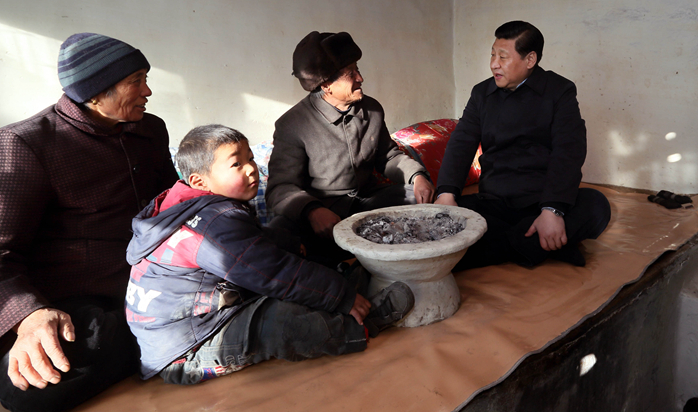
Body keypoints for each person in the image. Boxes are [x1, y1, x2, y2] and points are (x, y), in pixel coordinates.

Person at [125, 125, 414, 384]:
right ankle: (360, 325)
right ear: (200, 182)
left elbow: (252, 243)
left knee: (287, 242)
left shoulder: (184, 206)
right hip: (188, 349)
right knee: (280, 320)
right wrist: (340, 295)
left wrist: (289, 245)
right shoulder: (214, 223)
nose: (251, 169)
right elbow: (273, 273)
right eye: (236, 164)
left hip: (200, 316)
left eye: (250, 159)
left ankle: (343, 288)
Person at [0, 33, 179, 412]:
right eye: (136, 81)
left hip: (159, 279)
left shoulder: (150, 129)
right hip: (81, 302)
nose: (148, 91)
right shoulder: (25, 144)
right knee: (27, 391)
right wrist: (30, 316)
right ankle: (177, 330)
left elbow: (171, 204)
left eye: (145, 78)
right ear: (96, 93)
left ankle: (169, 326)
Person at [435, 21, 611, 269]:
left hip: (541, 200)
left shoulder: (559, 91)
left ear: (530, 59)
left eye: (503, 57)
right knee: (441, 215)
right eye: (492, 55)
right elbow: (461, 143)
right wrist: (446, 194)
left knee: (596, 205)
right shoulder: (481, 94)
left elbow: (568, 151)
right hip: (493, 202)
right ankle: (540, 245)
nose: (494, 64)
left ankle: (496, 246)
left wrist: (552, 210)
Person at [266, 31, 434, 263]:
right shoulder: (292, 125)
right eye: (350, 74)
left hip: (369, 202)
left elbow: (388, 156)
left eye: (358, 69)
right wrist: (312, 211)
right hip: (325, 211)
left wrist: (416, 176)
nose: (360, 78)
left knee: (430, 204)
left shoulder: (372, 109)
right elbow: (280, 187)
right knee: (277, 238)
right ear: (326, 84)